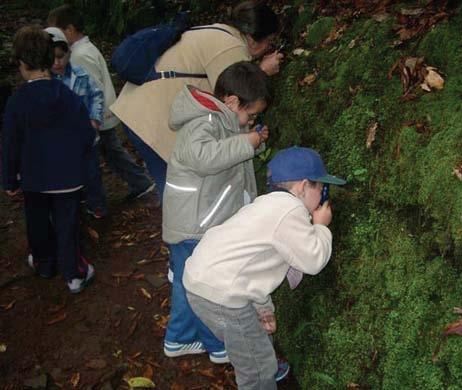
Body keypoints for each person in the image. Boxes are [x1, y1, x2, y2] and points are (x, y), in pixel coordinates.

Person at [183, 146, 346, 388]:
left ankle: (261, 358)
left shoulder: (267, 204)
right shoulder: (290, 211)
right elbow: (313, 260)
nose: (323, 192)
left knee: (253, 346)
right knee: (256, 370)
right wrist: (321, 226)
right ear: (303, 186)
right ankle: (261, 372)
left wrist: (263, 307)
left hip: (207, 282)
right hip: (222, 297)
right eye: (320, 186)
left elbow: (251, 262)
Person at [110, 0, 284, 199]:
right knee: (179, 192)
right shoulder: (231, 47)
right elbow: (234, 98)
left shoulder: (217, 32)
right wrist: (263, 71)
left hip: (138, 110)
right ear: (253, 39)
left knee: (171, 186)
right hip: (152, 119)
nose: (269, 47)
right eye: (269, 41)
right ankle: (181, 228)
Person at [162, 61, 270, 365]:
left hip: (201, 221)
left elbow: (231, 162)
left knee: (189, 282)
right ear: (233, 102)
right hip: (193, 225)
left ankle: (179, 337)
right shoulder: (203, 122)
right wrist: (246, 142)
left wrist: (253, 143)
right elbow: (203, 157)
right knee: (202, 287)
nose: (251, 121)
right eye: (251, 115)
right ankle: (215, 343)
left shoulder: (223, 121)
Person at [2, 26, 96, 293]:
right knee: (68, 227)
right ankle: (74, 274)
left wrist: (10, 178)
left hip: (34, 179)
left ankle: (44, 263)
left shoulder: (17, 101)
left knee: (37, 222)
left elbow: (10, 143)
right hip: (68, 178)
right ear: (48, 58)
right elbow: (86, 135)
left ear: (22, 63)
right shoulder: (67, 96)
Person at [47, 5, 156, 206]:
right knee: (111, 152)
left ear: (69, 29)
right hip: (99, 114)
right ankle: (138, 182)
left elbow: (91, 88)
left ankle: (138, 183)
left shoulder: (78, 55)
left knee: (108, 153)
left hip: (95, 117)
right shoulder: (82, 50)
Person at [44, 26, 107, 218]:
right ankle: (73, 206)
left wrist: (95, 119)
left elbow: (96, 95)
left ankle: (96, 204)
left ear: (69, 53)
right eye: (53, 58)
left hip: (86, 136)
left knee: (92, 173)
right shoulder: (45, 82)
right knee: (67, 176)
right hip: (61, 141)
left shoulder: (80, 74)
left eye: (61, 57)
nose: (58, 62)